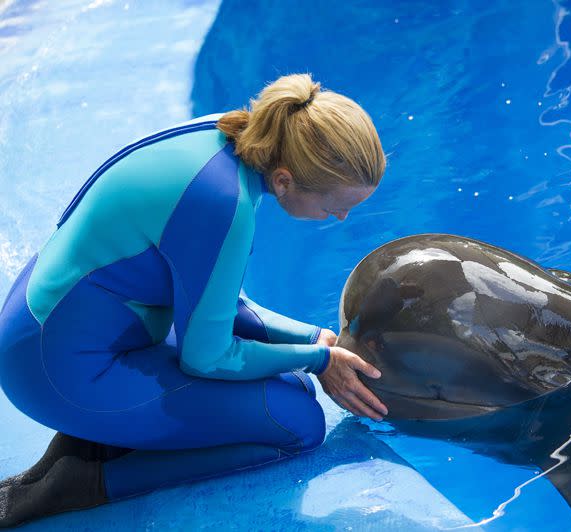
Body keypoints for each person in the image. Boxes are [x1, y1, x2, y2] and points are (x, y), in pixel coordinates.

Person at [0, 73, 389, 527]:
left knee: (288, 385)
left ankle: (93, 443)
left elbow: (218, 302)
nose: (340, 218)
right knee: (297, 424)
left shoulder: (232, 136)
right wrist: (317, 361)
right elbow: (206, 357)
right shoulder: (222, 201)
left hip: (49, 330)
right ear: (284, 181)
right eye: (333, 207)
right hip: (58, 369)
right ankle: (79, 485)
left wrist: (316, 341)